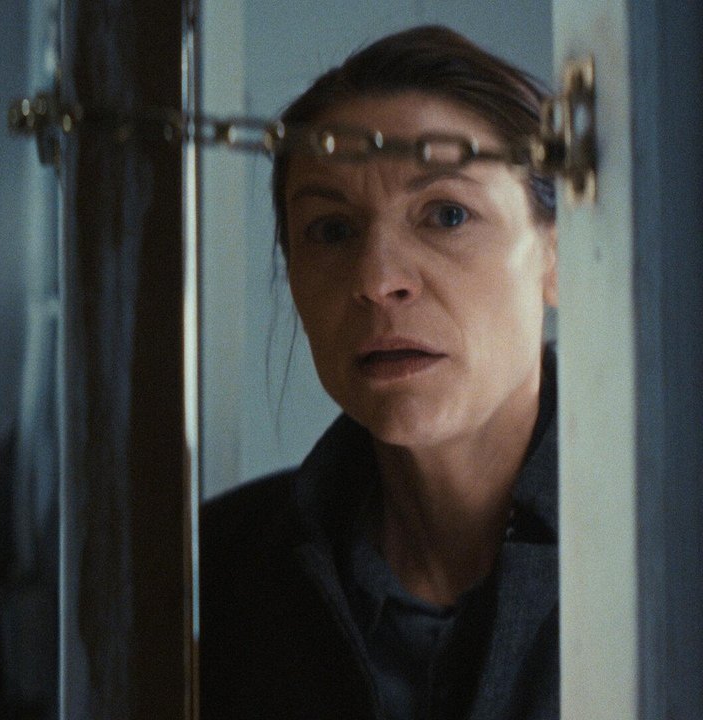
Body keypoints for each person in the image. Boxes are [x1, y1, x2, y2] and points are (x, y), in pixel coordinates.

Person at [201, 26, 559, 720]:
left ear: (558, 254)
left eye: (446, 215)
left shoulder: (662, 557)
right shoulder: (217, 572)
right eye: (332, 230)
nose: (377, 279)